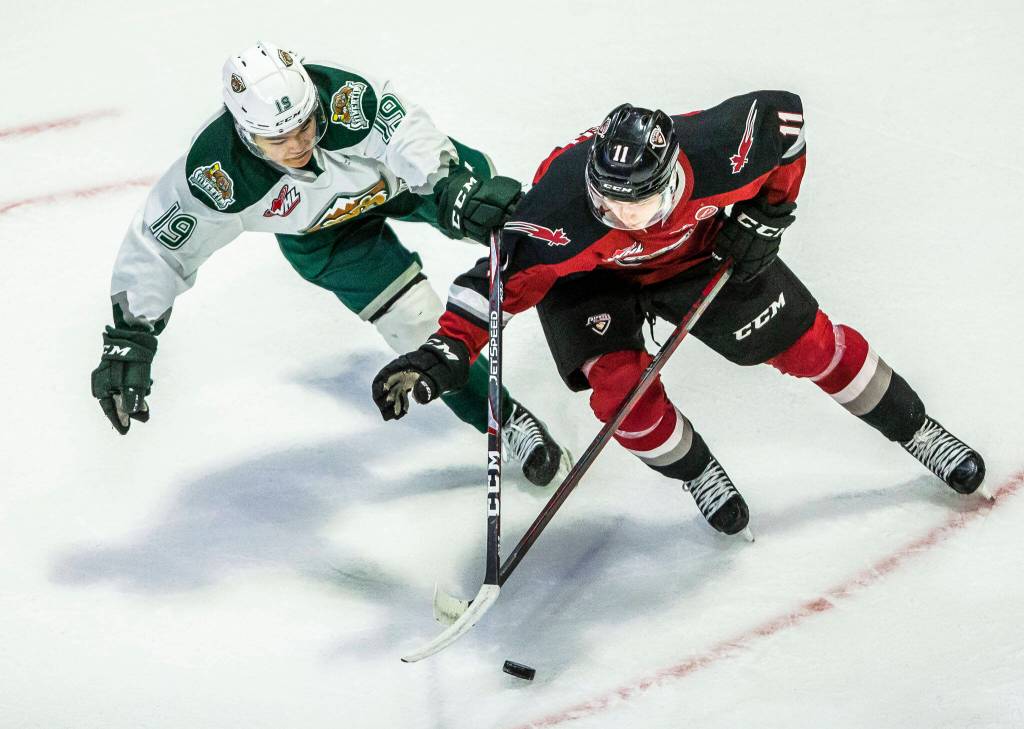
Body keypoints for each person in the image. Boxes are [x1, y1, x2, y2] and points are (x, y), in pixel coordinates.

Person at [370, 92, 986, 534]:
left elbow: (787, 122)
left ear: (670, 174)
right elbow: (495, 282)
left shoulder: (720, 150)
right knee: (620, 396)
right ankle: (697, 471)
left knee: (810, 345)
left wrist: (768, 215)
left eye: (639, 201)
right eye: (609, 202)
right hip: (590, 281)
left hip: (697, 256)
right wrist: (443, 353)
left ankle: (916, 429)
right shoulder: (562, 215)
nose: (627, 218)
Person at [90, 41, 570, 486]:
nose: (298, 144)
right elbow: (159, 246)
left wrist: (448, 184)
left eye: (304, 126)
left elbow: (406, 133)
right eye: (278, 138)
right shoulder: (219, 172)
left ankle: (611, 274)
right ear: (244, 130)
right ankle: (506, 420)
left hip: (397, 182)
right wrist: (131, 334)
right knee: (417, 326)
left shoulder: (343, 99)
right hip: (323, 237)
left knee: (506, 219)